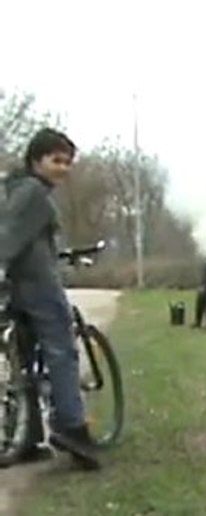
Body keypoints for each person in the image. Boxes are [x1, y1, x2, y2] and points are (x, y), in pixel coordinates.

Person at [0, 128, 100, 469]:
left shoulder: (15, 188)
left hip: (19, 285)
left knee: (26, 359)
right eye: (56, 160)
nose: (64, 168)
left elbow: (26, 240)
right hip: (38, 286)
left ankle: (28, 438)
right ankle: (72, 427)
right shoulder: (33, 193)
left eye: (68, 162)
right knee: (62, 350)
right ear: (36, 159)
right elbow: (9, 235)